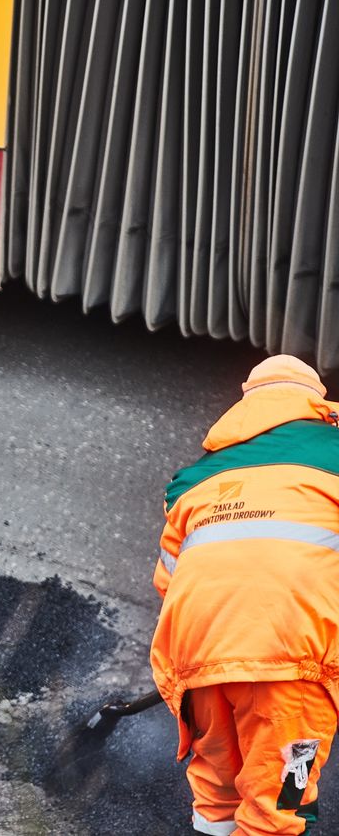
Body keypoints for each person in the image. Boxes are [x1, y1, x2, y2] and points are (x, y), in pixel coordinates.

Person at [152, 354, 339, 835]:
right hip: (293, 672)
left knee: (216, 780)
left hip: (195, 659)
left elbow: (167, 579)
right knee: (282, 795)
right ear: (315, 402)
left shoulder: (193, 479)